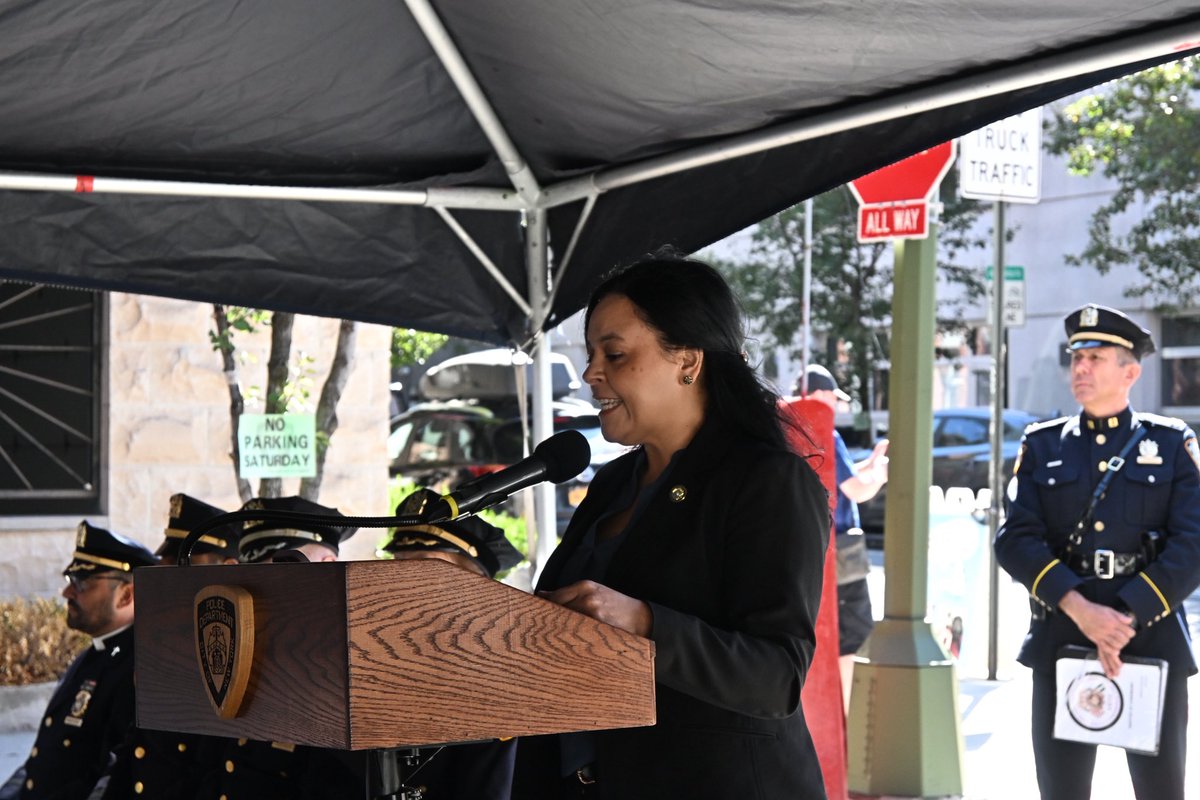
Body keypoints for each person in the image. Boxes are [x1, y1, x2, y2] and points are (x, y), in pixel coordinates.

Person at [511, 252, 830, 799]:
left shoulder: (765, 481)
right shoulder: (614, 483)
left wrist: (644, 623)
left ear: (687, 360)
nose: (591, 373)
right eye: (592, 354)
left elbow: (778, 677)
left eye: (614, 353)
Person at [995, 303, 1200, 800]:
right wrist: (1081, 610)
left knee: (1160, 790)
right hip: (1064, 633)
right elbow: (1015, 538)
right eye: (1075, 357)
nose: (1080, 368)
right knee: (1062, 790)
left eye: (1095, 357)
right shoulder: (1043, 446)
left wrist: (1124, 617)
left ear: (1131, 371)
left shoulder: (1170, 445)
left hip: (1150, 635)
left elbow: (1193, 541)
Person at [211, 495, 362, 800]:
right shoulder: (244, 653)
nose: (255, 586)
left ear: (327, 567)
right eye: (249, 572)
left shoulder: (352, 662)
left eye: (275, 567)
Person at [376, 490, 524, 800]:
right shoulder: (377, 664)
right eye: (398, 565)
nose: (404, 582)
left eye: (426, 568)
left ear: (477, 586)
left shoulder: (497, 684)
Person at [0, 522, 157, 800]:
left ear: (127, 595)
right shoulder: (95, 654)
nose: (67, 593)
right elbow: (44, 762)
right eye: (71, 580)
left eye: (81, 584)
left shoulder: (137, 668)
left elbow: (114, 776)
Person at [98, 494, 239, 800]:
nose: (167, 581)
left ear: (229, 568)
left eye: (182, 566)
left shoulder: (233, 659)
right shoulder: (165, 646)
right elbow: (135, 753)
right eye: (165, 567)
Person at [796, 364, 888, 715]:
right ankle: (849, 716)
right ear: (818, 394)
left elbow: (840, 477)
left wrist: (868, 464)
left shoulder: (796, 428)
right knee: (852, 638)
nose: (835, 403)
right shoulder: (826, 432)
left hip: (816, 549)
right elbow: (856, 491)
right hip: (842, 552)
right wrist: (879, 475)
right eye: (833, 396)